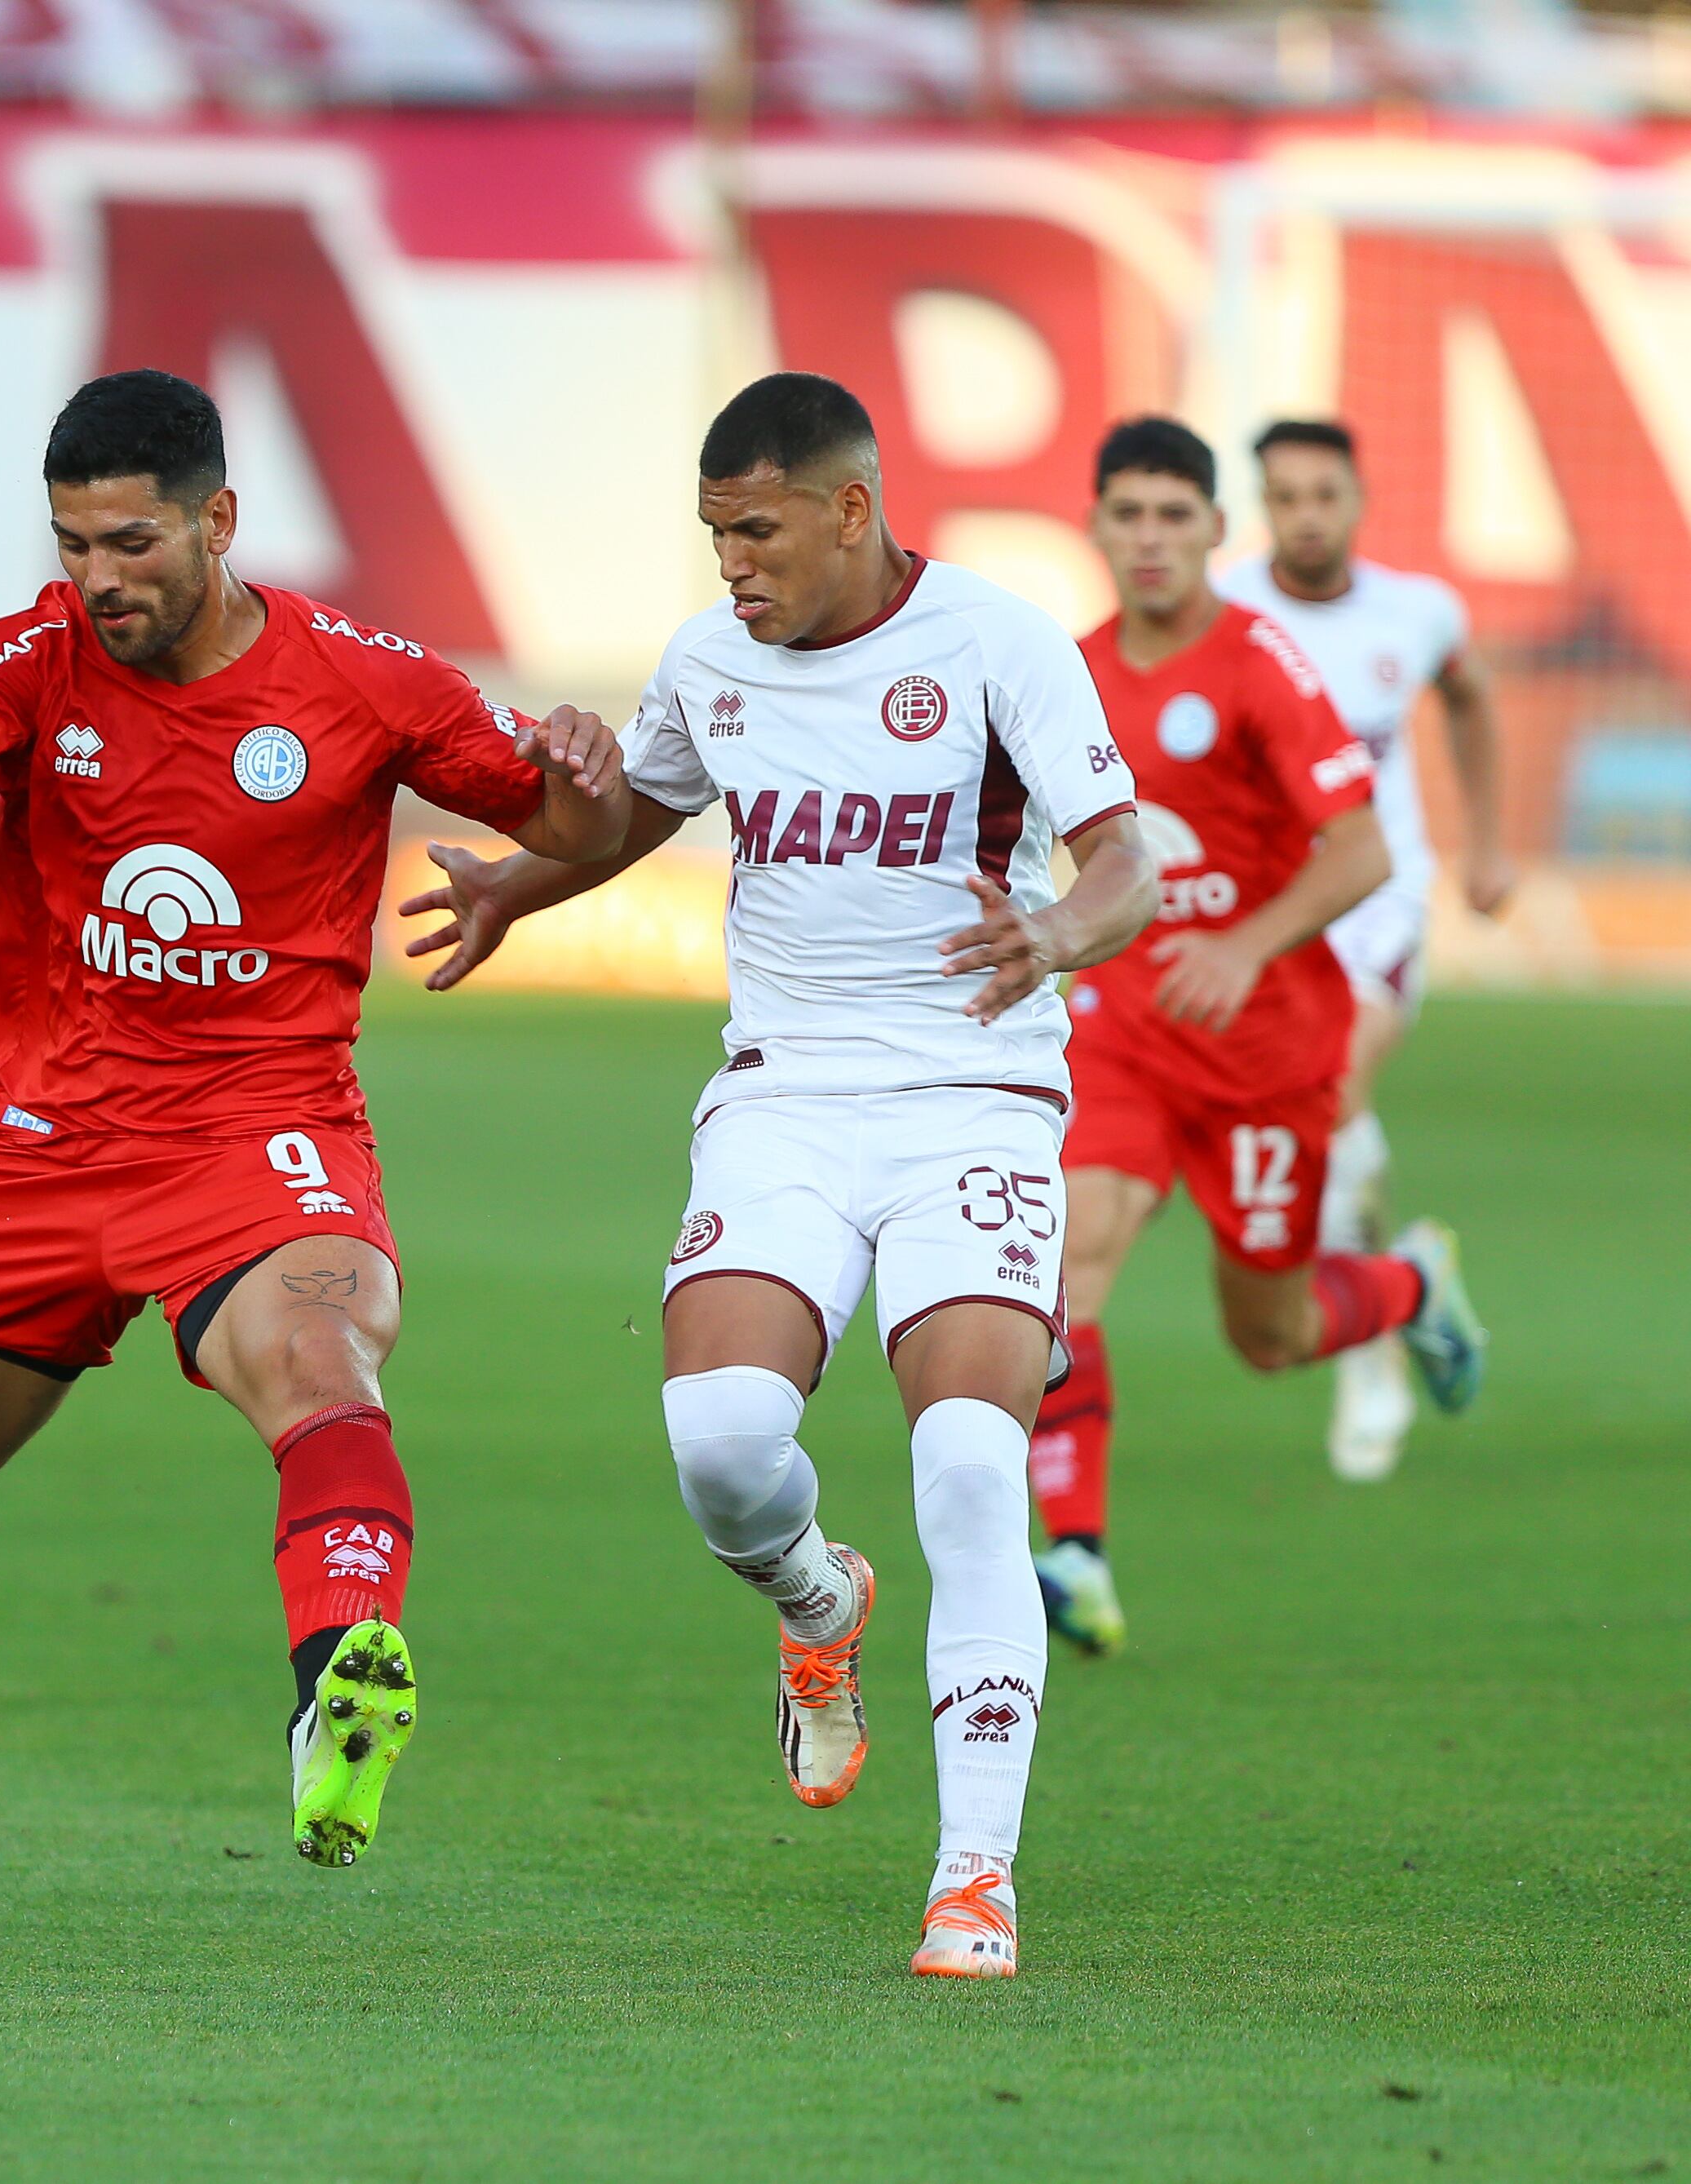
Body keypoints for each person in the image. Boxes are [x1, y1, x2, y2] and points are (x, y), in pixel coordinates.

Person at [0, 369, 624, 1871]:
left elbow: (565, 823)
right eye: (75, 544)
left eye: (131, 543)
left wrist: (583, 799)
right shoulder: (28, 661)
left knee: (318, 1360)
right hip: (42, 1144)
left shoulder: (368, 676)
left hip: (259, 1134)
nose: (98, 579)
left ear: (219, 519)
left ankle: (334, 1691)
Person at [401, 374, 1158, 1979]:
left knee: (967, 1466)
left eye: (753, 532)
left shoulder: (997, 642)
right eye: (712, 538)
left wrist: (1055, 935)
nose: (731, 567)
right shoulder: (710, 663)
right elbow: (641, 814)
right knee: (724, 1444)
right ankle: (818, 1606)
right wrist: (518, 892)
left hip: (978, 1098)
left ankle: (974, 1877)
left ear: (849, 510)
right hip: (785, 1102)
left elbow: (1126, 862)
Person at [1024, 417, 1489, 1656]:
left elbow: (1365, 849)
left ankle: (1411, 1286)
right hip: (1123, 1027)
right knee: (1066, 1264)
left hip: (1268, 1046)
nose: (1152, 539)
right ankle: (1074, 1550)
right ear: (1097, 527)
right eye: (1129, 514)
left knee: (1268, 1337)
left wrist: (1246, 944)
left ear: (1216, 534)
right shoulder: (1062, 671)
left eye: (1177, 516)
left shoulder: (1261, 664)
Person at [1219, 419, 1514, 1482]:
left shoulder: (1419, 611)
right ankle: (1408, 1278)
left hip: (1378, 902)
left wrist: (1485, 843)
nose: (1306, 514)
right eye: (1285, 495)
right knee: (1316, 1131)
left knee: (1330, 1093)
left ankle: (1371, 1365)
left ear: (1359, 497)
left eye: (1323, 493)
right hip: (1265, 913)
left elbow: (1472, 698)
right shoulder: (1230, 613)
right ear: (1263, 505)